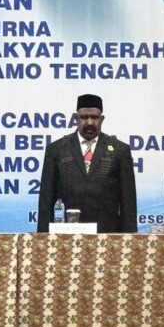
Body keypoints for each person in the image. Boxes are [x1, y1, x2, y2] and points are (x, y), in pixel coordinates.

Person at [37, 94, 137, 233]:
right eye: (84, 117)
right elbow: (46, 201)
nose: (90, 123)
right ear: (76, 118)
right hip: (66, 237)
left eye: (94, 117)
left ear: (102, 119)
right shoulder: (56, 150)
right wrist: (42, 239)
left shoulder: (120, 150)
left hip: (108, 236)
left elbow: (128, 204)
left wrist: (130, 240)